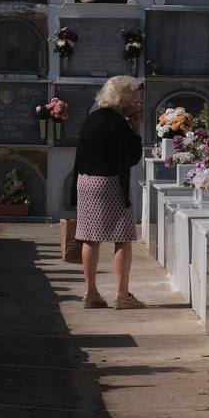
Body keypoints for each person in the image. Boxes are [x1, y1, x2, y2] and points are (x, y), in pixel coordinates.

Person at [74, 75, 144, 309]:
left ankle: (90, 292)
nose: (138, 101)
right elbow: (132, 158)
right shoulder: (119, 124)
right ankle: (122, 295)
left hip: (85, 182)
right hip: (111, 184)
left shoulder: (91, 119)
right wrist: (136, 131)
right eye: (135, 96)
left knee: (90, 238)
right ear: (122, 99)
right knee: (122, 238)